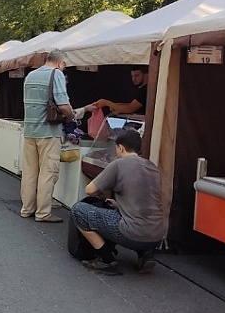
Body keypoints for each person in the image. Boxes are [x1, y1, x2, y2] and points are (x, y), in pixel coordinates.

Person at [71, 129, 165, 275]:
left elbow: (89, 190)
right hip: (158, 235)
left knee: (79, 210)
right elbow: (143, 200)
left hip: (133, 233)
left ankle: (107, 260)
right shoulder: (152, 167)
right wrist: (119, 205)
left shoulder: (119, 164)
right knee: (136, 219)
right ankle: (146, 254)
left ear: (121, 147)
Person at [20, 49, 74, 222]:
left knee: (29, 172)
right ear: (60, 63)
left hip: (29, 131)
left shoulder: (30, 76)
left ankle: (27, 208)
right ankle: (43, 212)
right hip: (48, 132)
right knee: (47, 173)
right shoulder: (56, 74)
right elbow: (63, 105)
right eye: (64, 66)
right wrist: (71, 116)